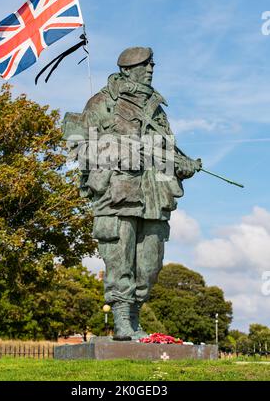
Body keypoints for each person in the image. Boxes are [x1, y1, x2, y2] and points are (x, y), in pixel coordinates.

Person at [63, 47, 201, 340]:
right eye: (144, 64)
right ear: (127, 69)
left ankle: (135, 318)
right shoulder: (102, 102)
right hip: (118, 194)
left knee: (150, 265)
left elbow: (166, 152)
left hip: (154, 195)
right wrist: (122, 149)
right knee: (120, 259)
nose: (150, 68)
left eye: (152, 63)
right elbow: (81, 146)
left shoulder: (156, 109)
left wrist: (182, 164)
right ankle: (123, 321)